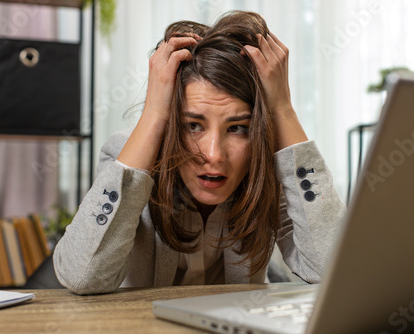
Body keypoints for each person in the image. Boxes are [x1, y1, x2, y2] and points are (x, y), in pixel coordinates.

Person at [53, 10, 346, 295]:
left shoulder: (266, 167)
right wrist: (154, 113)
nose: (214, 154)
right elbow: (82, 277)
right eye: (193, 125)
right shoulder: (126, 154)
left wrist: (282, 108)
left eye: (237, 128)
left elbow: (335, 271)